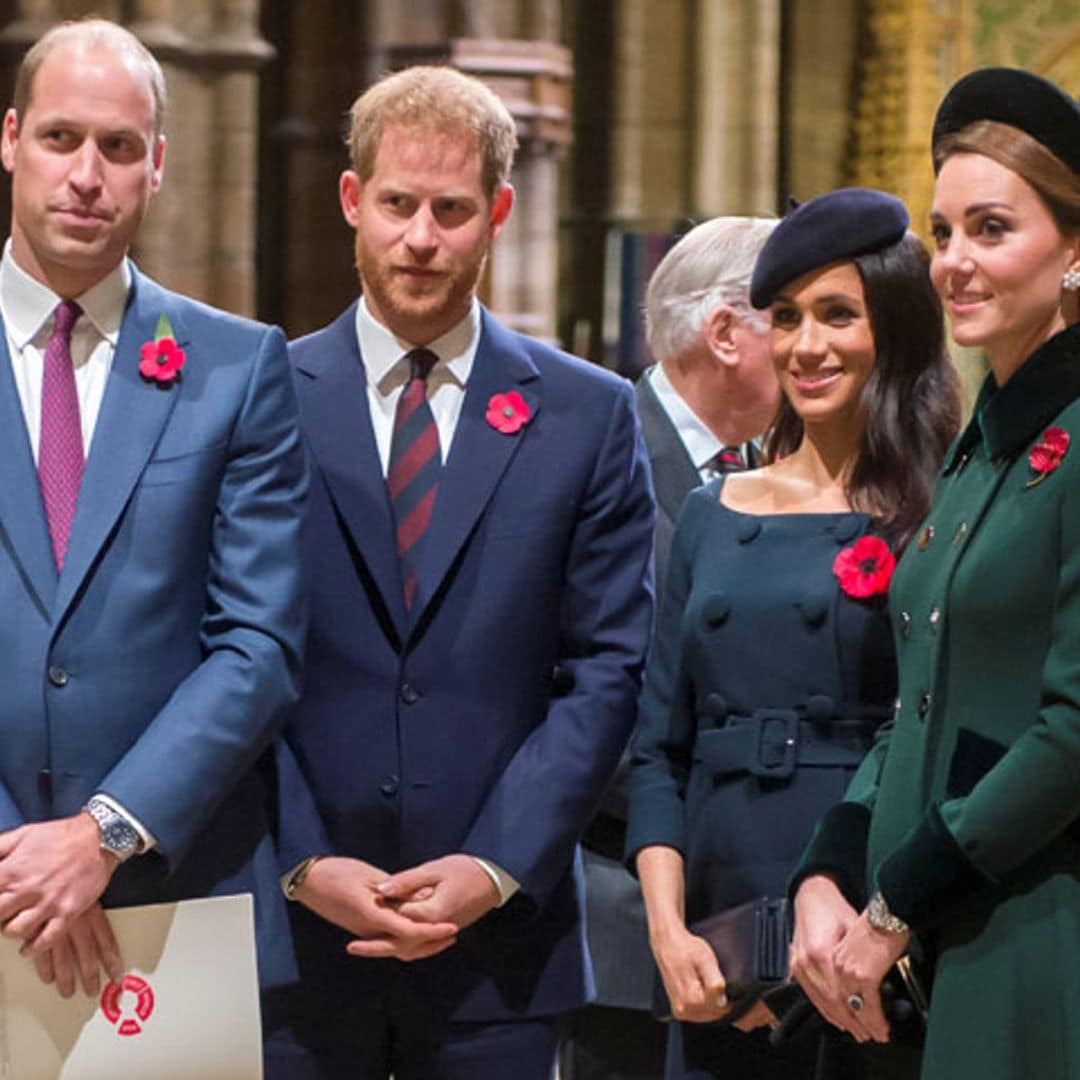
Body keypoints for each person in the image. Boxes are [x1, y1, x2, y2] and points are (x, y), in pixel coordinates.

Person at [266, 65, 655, 1079]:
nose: (422, 238)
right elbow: (227, 649)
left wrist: (494, 864)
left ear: (498, 213)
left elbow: (608, 665)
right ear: (353, 201)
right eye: (397, 205)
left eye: (451, 209)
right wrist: (304, 859)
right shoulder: (260, 398)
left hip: (501, 950)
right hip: (296, 937)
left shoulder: (589, 415)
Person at [0, 16, 306, 1012]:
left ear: (159, 165)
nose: (87, 175)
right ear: (11, 139)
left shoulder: (235, 367)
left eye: (119, 148)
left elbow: (257, 643)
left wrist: (101, 834)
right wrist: (27, 866)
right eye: (61, 139)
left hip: (174, 895)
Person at [626, 187, 959, 1079]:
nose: (807, 345)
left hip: (867, 930)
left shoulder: (944, 509)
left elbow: (939, 741)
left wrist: (868, 924)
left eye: (837, 314)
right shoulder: (709, 511)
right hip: (713, 940)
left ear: (893, 327)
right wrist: (667, 931)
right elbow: (659, 745)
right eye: (786, 317)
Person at [790, 68, 1080, 1080]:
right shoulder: (976, 447)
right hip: (923, 946)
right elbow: (920, 701)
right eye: (943, 232)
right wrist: (829, 873)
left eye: (991, 229)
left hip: (1033, 938)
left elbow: (1071, 730)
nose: (954, 261)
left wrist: (897, 899)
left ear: (1077, 249)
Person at [564, 215, 779, 1080]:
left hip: (759, 920)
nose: (812, 347)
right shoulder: (593, 452)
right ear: (727, 333)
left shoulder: (785, 472)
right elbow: (571, 697)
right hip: (619, 918)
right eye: (791, 317)